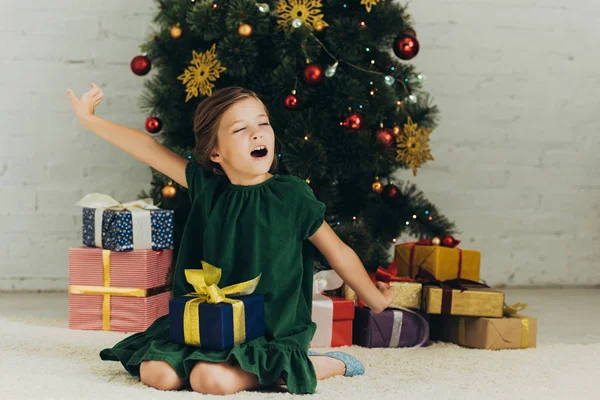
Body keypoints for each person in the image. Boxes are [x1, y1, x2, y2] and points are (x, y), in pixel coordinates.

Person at [66, 83, 395, 395]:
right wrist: (89, 120)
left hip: (268, 329)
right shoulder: (208, 187)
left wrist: (375, 300)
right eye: (240, 129)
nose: (257, 133)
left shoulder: (291, 195)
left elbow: (338, 252)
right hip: (210, 322)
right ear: (215, 153)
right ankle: (243, 365)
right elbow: (149, 149)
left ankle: (319, 363)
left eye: (262, 123)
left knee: (209, 379)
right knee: (159, 374)